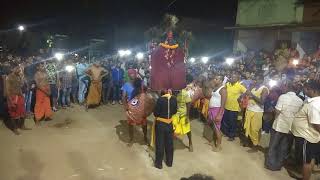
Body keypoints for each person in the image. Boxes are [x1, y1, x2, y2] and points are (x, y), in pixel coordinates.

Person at [265, 81, 303, 171]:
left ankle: (271, 165)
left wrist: (272, 112)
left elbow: (277, 112)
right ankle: (278, 165)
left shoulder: (283, 97)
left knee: (273, 146)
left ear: (288, 88)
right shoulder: (300, 101)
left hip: (279, 125)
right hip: (289, 127)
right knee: (284, 147)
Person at [291, 80, 320, 180]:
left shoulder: (314, 105)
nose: (304, 90)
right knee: (310, 158)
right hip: (310, 136)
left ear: (312, 90)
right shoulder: (314, 101)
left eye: (306, 88)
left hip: (306, 137)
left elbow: (316, 123)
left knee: (306, 161)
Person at [153, 89, 178, 169]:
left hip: (160, 124)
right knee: (169, 144)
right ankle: (169, 162)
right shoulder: (174, 99)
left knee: (160, 143)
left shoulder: (160, 99)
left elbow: (155, 113)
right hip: (169, 123)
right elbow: (174, 111)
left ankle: (159, 164)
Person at [244, 74, 269, 150]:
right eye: (254, 79)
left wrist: (252, 96)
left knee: (254, 129)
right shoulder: (253, 86)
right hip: (249, 109)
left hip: (257, 111)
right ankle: (249, 142)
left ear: (261, 80)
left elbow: (262, 101)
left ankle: (255, 145)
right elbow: (247, 94)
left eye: (256, 79)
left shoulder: (264, 89)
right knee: (247, 127)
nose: (254, 81)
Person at [221, 73, 247, 141]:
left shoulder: (239, 86)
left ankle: (232, 136)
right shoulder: (227, 84)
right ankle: (226, 133)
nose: (232, 78)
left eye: (234, 77)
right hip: (226, 106)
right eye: (231, 77)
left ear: (237, 79)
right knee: (226, 121)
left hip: (234, 108)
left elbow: (246, 92)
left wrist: (241, 96)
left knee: (233, 122)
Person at [6, 65, 31, 135]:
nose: (19, 69)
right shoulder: (9, 77)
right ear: (12, 68)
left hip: (20, 96)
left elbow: (21, 86)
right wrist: (10, 101)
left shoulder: (19, 76)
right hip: (13, 96)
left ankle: (22, 126)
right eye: (17, 68)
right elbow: (7, 90)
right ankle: (15, 129)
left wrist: (22, 76)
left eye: (19, 68)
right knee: (14, 113)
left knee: (22, 112)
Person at [208, 75, 227, 151]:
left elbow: (223, 104)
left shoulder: (223, 89)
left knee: (217, 128)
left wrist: (219, 114)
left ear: (221, 80)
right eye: (214, 78)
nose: (214, 80)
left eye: (216, 79)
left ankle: (219, 146)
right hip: (212, 109)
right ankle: (213, 141)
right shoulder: (215, 88)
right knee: (214, 127)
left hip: (217, 110)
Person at [172, 87, 193, 152]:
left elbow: (189, 104)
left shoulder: (184, 93)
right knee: (172, 129)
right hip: (175, 114)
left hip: (183, 114)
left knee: (187, 130)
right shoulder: (172, 92)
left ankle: (190, 143)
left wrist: (187, 116)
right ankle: (171, 144)